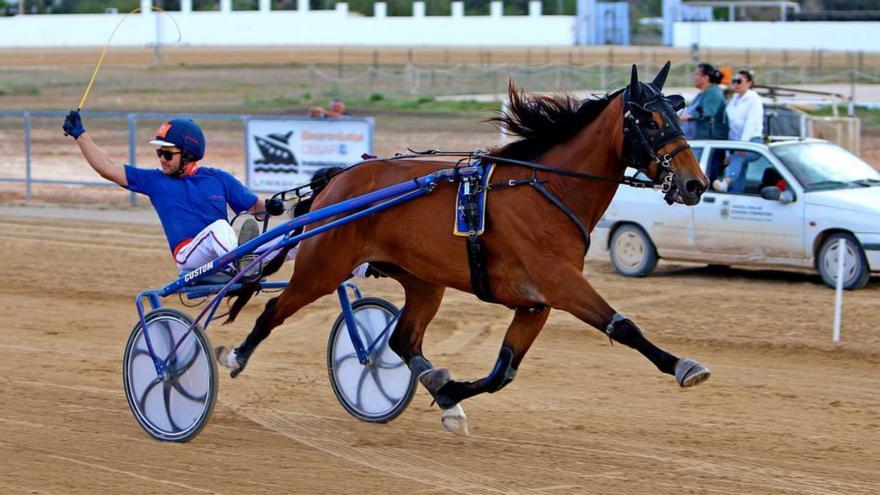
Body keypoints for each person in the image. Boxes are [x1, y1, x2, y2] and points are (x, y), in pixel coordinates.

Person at [61, 111, 281, 276]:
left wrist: (275, 207)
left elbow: (254, 208)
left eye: (167, 154)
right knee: (220, 229)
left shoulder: (218, 178)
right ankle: (242, 265)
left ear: (188, 153)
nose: (161, 159)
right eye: (159, 153)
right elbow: (107, 168)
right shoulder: (155, 181)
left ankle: (263, 261)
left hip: (223, 250)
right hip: (189, 255)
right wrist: (80, 135)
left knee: (288, 238)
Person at [713, 69, 764, 193]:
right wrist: (727, 152)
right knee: (739, 170)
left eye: (739, 81)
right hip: (735, 144)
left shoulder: (754, 99)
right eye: (734, 81)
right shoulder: (734, 100)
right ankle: (736, 193)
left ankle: (726, 182)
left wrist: (743, 145)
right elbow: (729, 126)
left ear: (749, 83)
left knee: (737, 158)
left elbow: (750, 124)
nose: (735, 84)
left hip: (752, 142)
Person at [679, 63, 727, 141]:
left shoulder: (713, 93)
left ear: (706, 77)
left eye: (697, 74)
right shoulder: (703, 93)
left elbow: (707, 114)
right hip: (698, 141)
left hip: (708, 143)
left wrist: (687, 116)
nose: (694, 77)